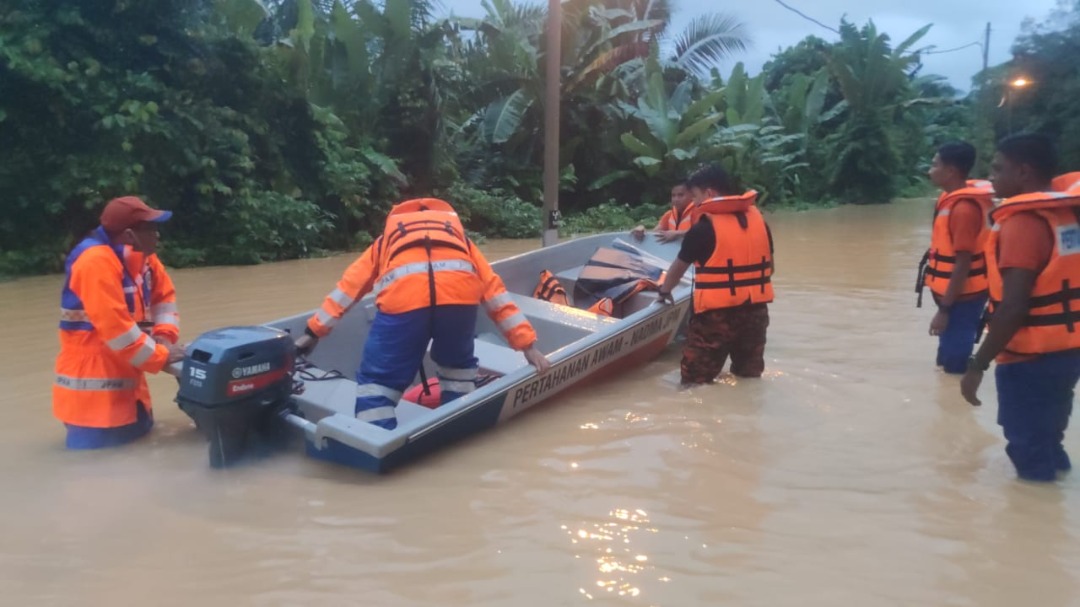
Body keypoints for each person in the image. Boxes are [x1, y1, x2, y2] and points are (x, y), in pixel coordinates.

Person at [295, 198, 551, 430]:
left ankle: (375, 436)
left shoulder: (387, 241)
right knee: (458, 369)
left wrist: (313, 332)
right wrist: (527, 345)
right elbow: (494, 293)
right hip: (458, 304)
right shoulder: (460, 240)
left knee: (378, 382)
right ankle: (459, 426)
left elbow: (348, 289)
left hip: (403, 306)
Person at [961, 134, 1080, 482]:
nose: (991, 176)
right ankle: (1056, 491)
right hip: (1068, 349)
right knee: (1049, 433)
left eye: (998, 168)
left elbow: (1013, 307)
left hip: (1031, 358)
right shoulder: (1065, 215)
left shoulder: (1022, 223)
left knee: (1027, 444)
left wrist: (977, 365)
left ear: (1024, 172)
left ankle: (1040, 519)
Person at [53, 196, 185, 449]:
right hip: (92, 403)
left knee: (135, 459)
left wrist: (164, 336)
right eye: (150, 229)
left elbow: (164, 300)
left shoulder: (144, 258)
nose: (157, 235)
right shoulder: (94, 263)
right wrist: (161, 357)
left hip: (130, 392)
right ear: (129, 235)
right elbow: (117, 331)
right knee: (96, 475)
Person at [654, 165, 774, 385]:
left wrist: (664, 291)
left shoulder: (703, 228)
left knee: (694, 381)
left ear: (709, 193)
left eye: (696, 196)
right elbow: (769, 266)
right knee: (749, 378)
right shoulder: (759, 222)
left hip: (716, 318)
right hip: (756, 313)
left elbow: (678, 268)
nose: (695, 203)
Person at [919, 142, 995, 374]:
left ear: (951, 171)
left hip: (964, 296)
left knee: (954, 364)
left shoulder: (963, 209)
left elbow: (963, 263)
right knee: (946, 359)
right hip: (954, 295)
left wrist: (944, 310)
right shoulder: (950, 200)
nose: (930, 170)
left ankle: (960, 395)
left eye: (935, 165)